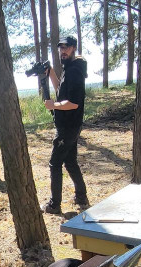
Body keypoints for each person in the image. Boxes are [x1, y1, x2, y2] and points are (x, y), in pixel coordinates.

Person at [43, 35, 88, 214]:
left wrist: (53, 105)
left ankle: (55, 204)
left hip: (68, 127)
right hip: (71, 125)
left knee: (55, 163)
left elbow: (74, 102)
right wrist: (51, 72)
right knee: (70, 161)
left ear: (74, 48)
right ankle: (81, 196)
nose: (63, 51)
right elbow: (60, 91)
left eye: (66, 47)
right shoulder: (68, 68)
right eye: (61, 48)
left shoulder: (74, 71)